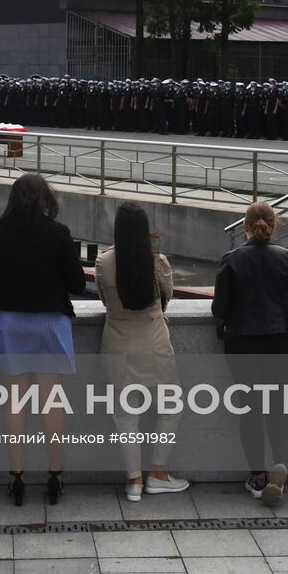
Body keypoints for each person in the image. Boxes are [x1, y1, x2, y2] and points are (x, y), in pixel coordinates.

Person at [0, 173, 86, 506]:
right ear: (45, 199)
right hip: (51, 324)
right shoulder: (59, 233)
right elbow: (77, 284)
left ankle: (17, 475)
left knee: (15, 401)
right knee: (52, 401)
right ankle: (54, 475)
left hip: (10, 323)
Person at [211, 202, 288, 506]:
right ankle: (281, 463)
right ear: (274, 225)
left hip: (242, 345)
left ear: (245, 227)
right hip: (279, 343)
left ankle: (258, 478)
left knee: (250, 411)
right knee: (277, 406)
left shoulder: (232, 260)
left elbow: (219, 309)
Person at [95, 203, 189, 503]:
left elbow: (104, 299)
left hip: (117, 345)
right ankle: (158, 474)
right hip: (155, 344)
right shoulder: (158, 262)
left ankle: (134, 480)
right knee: (171, 407)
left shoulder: (104, 262)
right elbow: (167, 298)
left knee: (125, 415)